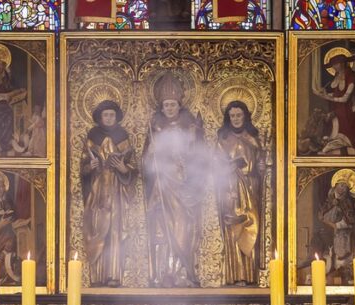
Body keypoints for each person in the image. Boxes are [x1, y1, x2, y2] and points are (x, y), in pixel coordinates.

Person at [142, 74, 207, 287]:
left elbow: (200, 159)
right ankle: (165, 274)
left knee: (183, 229)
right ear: (161, 108)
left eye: (173, 104)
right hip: (162, 187)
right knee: (162, 229)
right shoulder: (155, 128)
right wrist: (151, 152)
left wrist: (192, 143)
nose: (169, 108)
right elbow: (146, 164)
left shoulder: (190, 126)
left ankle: (184, 273)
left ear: (180, 105)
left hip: (183, 188)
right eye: (166, 105)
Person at [81, 100, 137, 287]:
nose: (109, 118)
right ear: (100, 117)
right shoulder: (92, 137)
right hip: (97, 190)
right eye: (105, 115)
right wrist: (90, 166)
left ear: (116, 117)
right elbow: (83, 167)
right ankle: (97, 276)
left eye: (112, 115)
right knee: (98, 228)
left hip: (116, 190)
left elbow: (133, 167)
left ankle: (114, 275)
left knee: (115, 230)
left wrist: (122, 168)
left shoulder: (123, 136)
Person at [215, 99, 265, 286]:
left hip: (250, 187)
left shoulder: (253, 139)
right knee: (233, 229)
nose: (236, 119)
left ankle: (251, 275)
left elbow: (260, 165)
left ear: (245, 116)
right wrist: (229, 166)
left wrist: (261, 165)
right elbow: (215, 167)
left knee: (249, 224)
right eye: (232, 116)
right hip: (229, 188)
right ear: (228, 118)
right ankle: (235, 275)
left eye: (239, 115)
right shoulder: (222, 140)